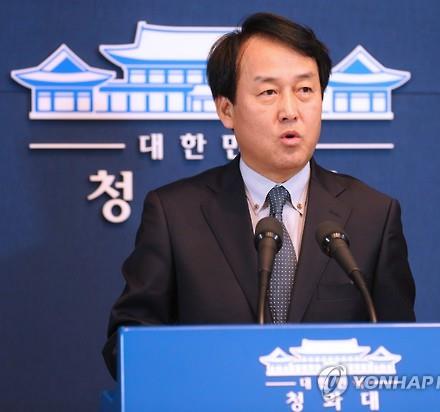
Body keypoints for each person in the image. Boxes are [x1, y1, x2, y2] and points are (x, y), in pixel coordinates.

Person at [103, 12, 416, 378]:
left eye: (305, 90)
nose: (290, 111)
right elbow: (127, 346)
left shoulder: (372, 215)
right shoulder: (175, 214)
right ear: (226, 110)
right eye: (269, 92)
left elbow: (402, 349)